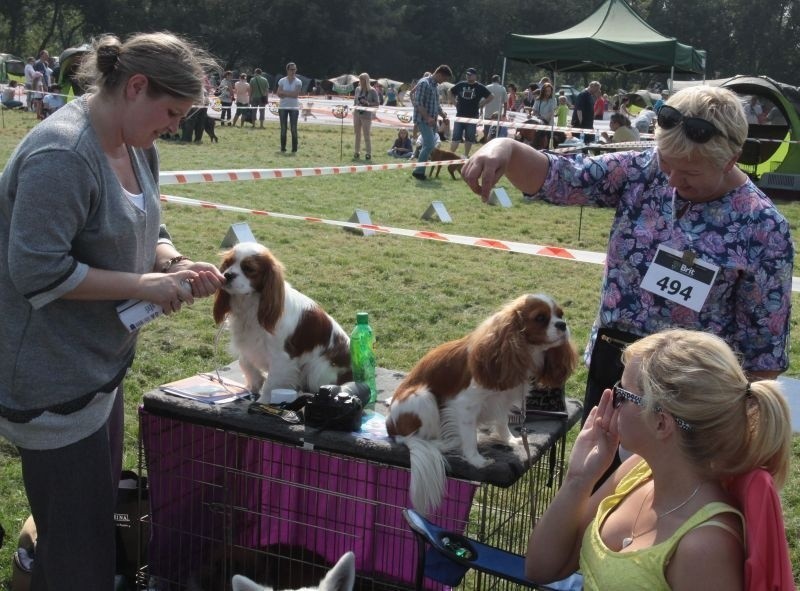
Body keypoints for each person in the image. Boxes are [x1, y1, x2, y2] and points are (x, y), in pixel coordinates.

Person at [0, 32, 225, 590]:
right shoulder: (62, 154)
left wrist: (173, 262)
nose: (175, 125)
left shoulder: (137, 141)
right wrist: (143, 285)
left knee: (91, 527)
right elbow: (36, 271)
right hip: (50, 382)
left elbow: (149, 224)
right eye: (171, 112)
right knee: (81, 553)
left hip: (100, 368)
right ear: (136, 86)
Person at [462, 85, 793, 434]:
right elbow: (560, 178)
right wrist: (506, 148)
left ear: (731, 159)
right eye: (666, 163)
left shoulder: (763, 228)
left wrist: (741, 429)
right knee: (600, 480)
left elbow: (762, 352)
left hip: (692, 393)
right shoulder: (639, 170)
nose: (673, 181)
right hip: (614, 367)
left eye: (690, 174)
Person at [524, 328, 792, 590]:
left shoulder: (704, 547)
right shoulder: (637, 471)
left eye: (623, 394)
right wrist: (579, 479)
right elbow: (543, 568)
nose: (612, 399)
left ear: (662, 423)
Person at [411, 64, 452, 181]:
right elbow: (419, 103)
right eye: (444, 78)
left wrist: (443, 115)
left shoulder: (435, 86)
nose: (444, 81)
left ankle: (420, 168)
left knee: (428, 145)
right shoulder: (424, 83)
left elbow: (436, 104)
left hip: (432, 121)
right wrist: (428, 118)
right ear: (439, 74)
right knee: (429, 144)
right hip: (423, 120)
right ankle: (418, 172)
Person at [449, 67, 491, 157]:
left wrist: (481, 104)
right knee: (455, 137)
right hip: (459, 116)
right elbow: (450, 91)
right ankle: (450, 155)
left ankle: (465, 155)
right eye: (467, 74)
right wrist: (455, 102)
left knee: (469, 138)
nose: (468, 76)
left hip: (472, 117)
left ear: (475, 76)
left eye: (470, 75)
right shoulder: (461, 84)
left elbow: (491, 96)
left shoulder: (480, 87)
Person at [352, 72, 380, 160]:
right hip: (356, 114)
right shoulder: (357, 89)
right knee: (357, 134)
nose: (360, 81)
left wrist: (367, 103)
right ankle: (357, 152)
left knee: (366, 134)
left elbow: (377, 103)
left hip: (367, 115)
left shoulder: (372, 91)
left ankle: (368, 153)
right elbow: (355, 101)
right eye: (360, 79)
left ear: (366, 80)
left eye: (362, 79)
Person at [277, 62, 303, 153]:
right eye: (291, 69)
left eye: (295, 69)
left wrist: (284, 93)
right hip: (283, 107)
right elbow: (278, 93)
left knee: (293, 129)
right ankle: (283, 148)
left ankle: (294, 149)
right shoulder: (282, 81)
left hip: (294, 108)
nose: (293, 71)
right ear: (287, 70)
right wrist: (288, 94)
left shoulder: (298, 81)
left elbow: (295, 95)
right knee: (283, 129)